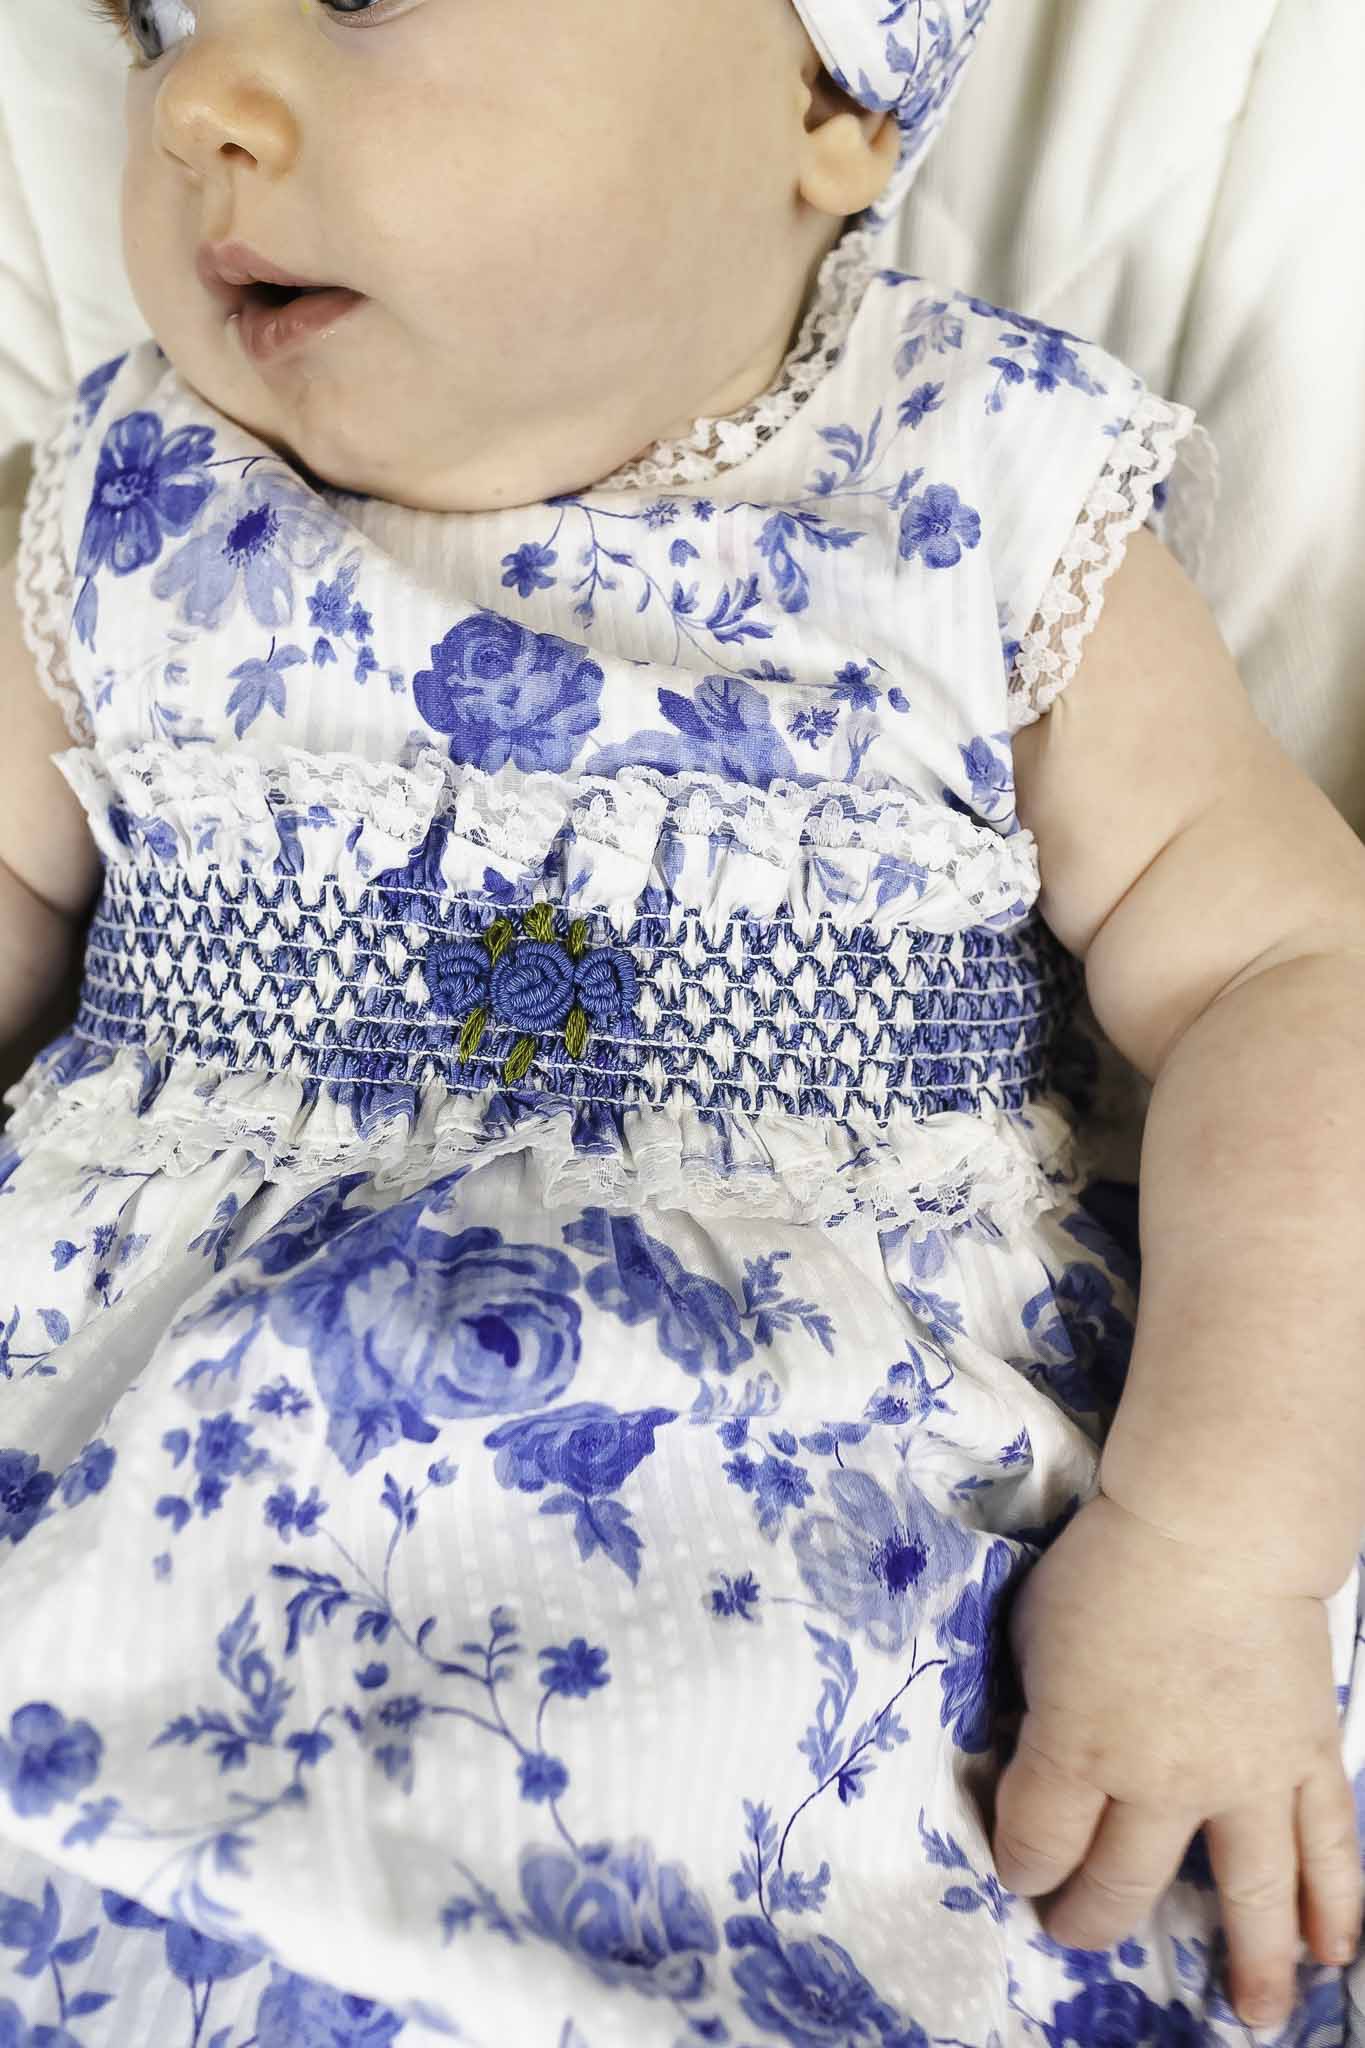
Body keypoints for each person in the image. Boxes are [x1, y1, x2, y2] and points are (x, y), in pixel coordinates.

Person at [1, 0, 1363, 2040]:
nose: (198, 97)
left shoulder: (971, 493)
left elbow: (1292, 979)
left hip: (795, 1564)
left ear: (826, 100)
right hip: (133, 1559)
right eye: (156, 20)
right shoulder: (120, 505)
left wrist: (1219, 1552)